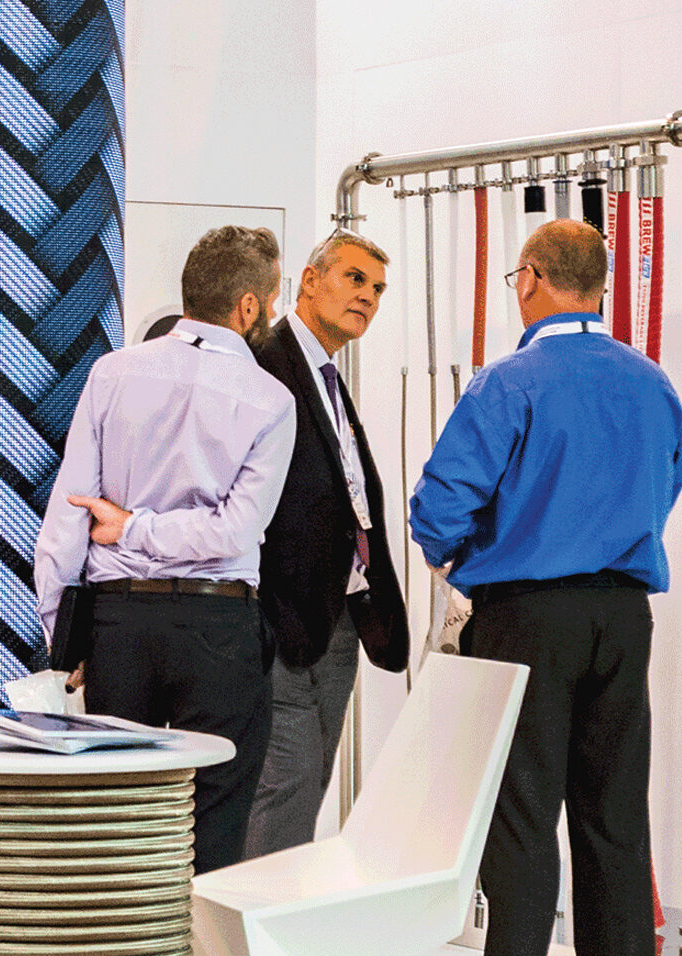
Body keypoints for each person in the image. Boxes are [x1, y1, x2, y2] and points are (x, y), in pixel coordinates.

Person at [409, 219, 682, 956]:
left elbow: (440, 507)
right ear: (601, 285)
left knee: (523, 818)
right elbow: (667, 484)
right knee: (615, 817)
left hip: (525, 616)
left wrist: (462, 551)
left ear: (529, 278)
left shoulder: (508, 383)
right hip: (623, 617)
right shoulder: (653, 383)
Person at [34, 225, 296, 875]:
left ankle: (120, 940)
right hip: (219, 626)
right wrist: (142, 530)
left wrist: (66, 636)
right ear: (248, 306)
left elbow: (66, 519)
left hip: (119, 625)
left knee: (116, 825)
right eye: (273, 297)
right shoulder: (272, 400)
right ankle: (194, 944)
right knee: (217, 826)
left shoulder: (112, 373)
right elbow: (234, 532)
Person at [243, 229, 409, 856]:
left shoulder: (328, 377)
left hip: (339, 616)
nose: (368, 296)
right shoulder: (265, 361)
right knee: (286, 782)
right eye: (355, 279)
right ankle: (253, 915)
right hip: (279, 616)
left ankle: (276, 908)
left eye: (378, 289)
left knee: (308, 786)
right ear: (310, 281)